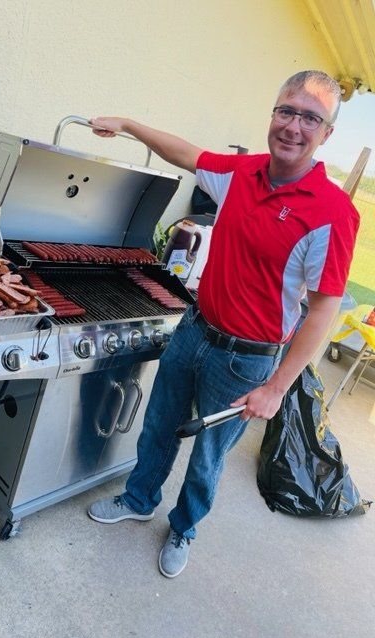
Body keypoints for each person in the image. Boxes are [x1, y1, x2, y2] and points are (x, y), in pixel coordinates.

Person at [87, 71, 360, 578]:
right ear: (272, 114)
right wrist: (127, 124)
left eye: (310, 117)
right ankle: (140, 497)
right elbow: (186, 154)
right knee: (159, 426)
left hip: (248, 359)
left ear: (326, 133)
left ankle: (184, 528)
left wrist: (277, 387)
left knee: (209, 457)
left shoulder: (333, 213)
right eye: (286, 110)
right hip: (195, 327)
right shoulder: (242, 172)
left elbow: (322, 309)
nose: (294, 126)